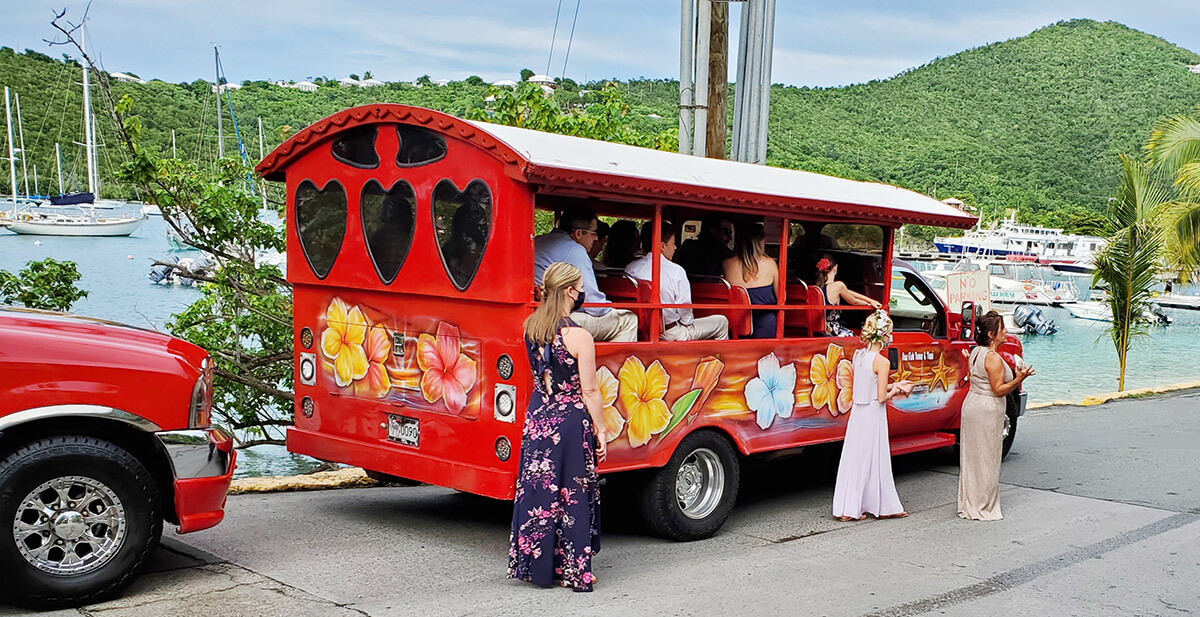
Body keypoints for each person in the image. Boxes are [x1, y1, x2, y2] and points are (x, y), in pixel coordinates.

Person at [509, 262, 606, 591]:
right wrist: (602, 430)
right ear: (568, 291)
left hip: (538, 416)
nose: (582, 293)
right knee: (572, 494)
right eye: (580, 288)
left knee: (539, 493)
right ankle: (574, 570)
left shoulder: (530, 327)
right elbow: (590, 390)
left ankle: (538, 566)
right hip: (569, 421)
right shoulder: (579, 336)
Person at [832, 310, 914, 521]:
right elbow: (881, 397)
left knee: (855, 459)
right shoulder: (882, 362)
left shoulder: (859, 355)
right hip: (872, 415)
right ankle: (883, 505)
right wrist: (897, 389)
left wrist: (894, 384)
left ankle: (848, 507)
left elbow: (867, 385)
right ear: (884, 334)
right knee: (875, 458)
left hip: (858, 413)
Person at [959, 310, 1035, 521]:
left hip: (971, 404)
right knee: (987, 456)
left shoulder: (975, 352)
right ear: (992, 335)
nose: (1006, 331)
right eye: (1002, 329)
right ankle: (983, 505)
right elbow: (999, 389)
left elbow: (972, 375)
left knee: (972, 456)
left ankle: (970, 502)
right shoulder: (992, 358)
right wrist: (1020, 379)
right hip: (986, 409)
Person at [534, 205, 638, 342]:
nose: (596, 239)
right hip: (556, 319)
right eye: (594, 233)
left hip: (536, 312)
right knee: (628, 319)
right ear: (578, 234)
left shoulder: (537, 240)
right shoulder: (574, 250)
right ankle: (608, 363)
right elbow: (595, 306)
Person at [625, 220, 729, 341]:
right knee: (722, 322)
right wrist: (686, 322)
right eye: (673, 243)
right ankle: (718, 359)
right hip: (671, 332)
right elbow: (685, 309)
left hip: (641, 329)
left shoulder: (631, 268)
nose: (675, 248)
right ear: (662, 246)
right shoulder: (675, 271)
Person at [722, 223, 778, 338]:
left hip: (736, 326)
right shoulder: (770, 264)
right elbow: (782, 297)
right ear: (760, 241)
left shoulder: (727, 264)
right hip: (765, 326)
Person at [816, 255, 881, 337]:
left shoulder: (818, 286)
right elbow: (854, 301)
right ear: (836, 268)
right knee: (855, 337)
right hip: (832, 330)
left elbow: (848, 292)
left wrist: (870, 300)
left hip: (821, 329)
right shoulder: (838, 285)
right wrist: (868, 304)